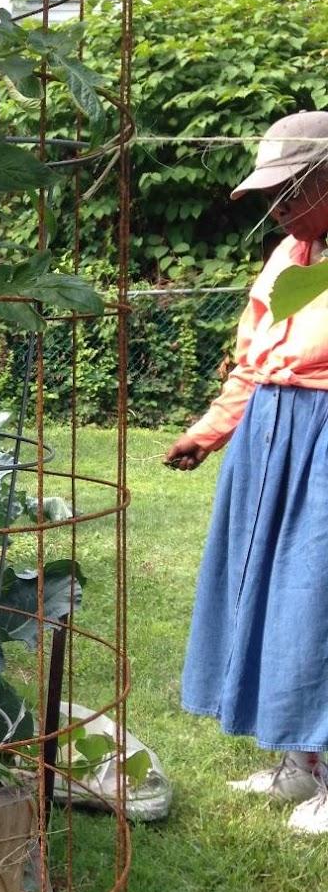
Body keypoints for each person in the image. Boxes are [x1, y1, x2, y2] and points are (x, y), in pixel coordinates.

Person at [165, 110, 328, 834]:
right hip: (270, 437)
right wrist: (212, 432)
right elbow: (254, 359)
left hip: (323, 439)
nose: (278, 205)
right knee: (273, 598)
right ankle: (301, 762)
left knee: (318, 595)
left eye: (291, 188)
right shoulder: (288, 257)